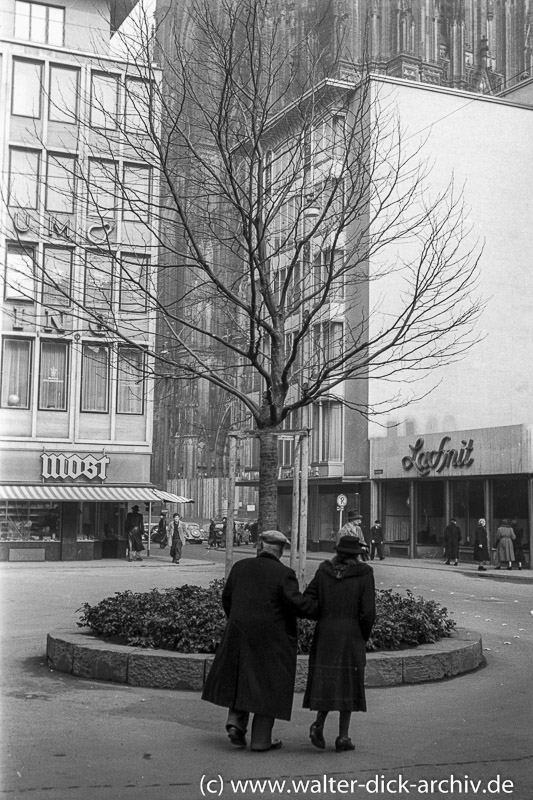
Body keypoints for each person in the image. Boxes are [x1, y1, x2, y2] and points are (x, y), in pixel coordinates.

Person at [202, 530, 317, 752]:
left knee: (241, 678)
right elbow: (299, 606)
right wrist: (315, 598)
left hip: (239, 633)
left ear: (260, 546)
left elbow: (227, 598)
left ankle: (235, 723)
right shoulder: (284, 574)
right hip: (272, 640)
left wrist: (238, 621)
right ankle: (260, 740)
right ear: (281, 551)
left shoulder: (240, 567)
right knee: (268, 684)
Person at [303, 536, 376, 752]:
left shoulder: (324, 571)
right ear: (356, 553)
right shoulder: (365, 574)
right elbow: (368, 612)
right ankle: (343, 736)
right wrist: (363, 634)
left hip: (326, 633)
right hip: (352, 633)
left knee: (327, 679)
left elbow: (310, 600)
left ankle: (318, 724)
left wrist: (324, 616)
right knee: (349, 681)